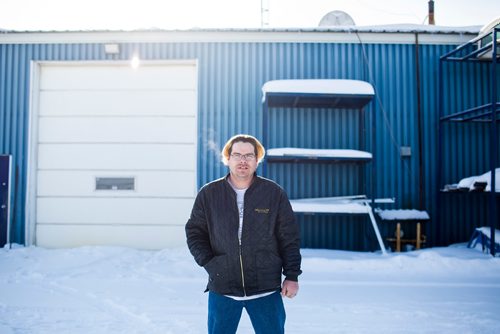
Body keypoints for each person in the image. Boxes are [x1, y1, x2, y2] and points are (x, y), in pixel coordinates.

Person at [185, 134, 302, 334]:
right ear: (227, 158)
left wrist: (291, 275)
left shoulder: (273, 193)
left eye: (249, 155)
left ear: (257, 160)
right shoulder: (209, 194)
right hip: (223, 288)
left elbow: (289, 237)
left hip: (265, 288)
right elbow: (195, 232)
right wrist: (210, 263)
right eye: (237, 155)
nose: (243, 160)